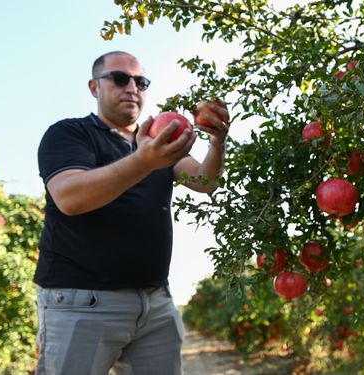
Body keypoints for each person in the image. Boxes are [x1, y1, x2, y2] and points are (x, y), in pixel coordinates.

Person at [34, 50, 229, 374]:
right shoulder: (70, 134)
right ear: (94, 87)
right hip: (82, 302)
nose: (132, 87)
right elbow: (69, 197)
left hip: (154, 304)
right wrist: (144, 161)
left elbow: (205, 181)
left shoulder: (158, 143)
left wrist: (217, 144)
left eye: (140, 81)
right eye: (120, 78)